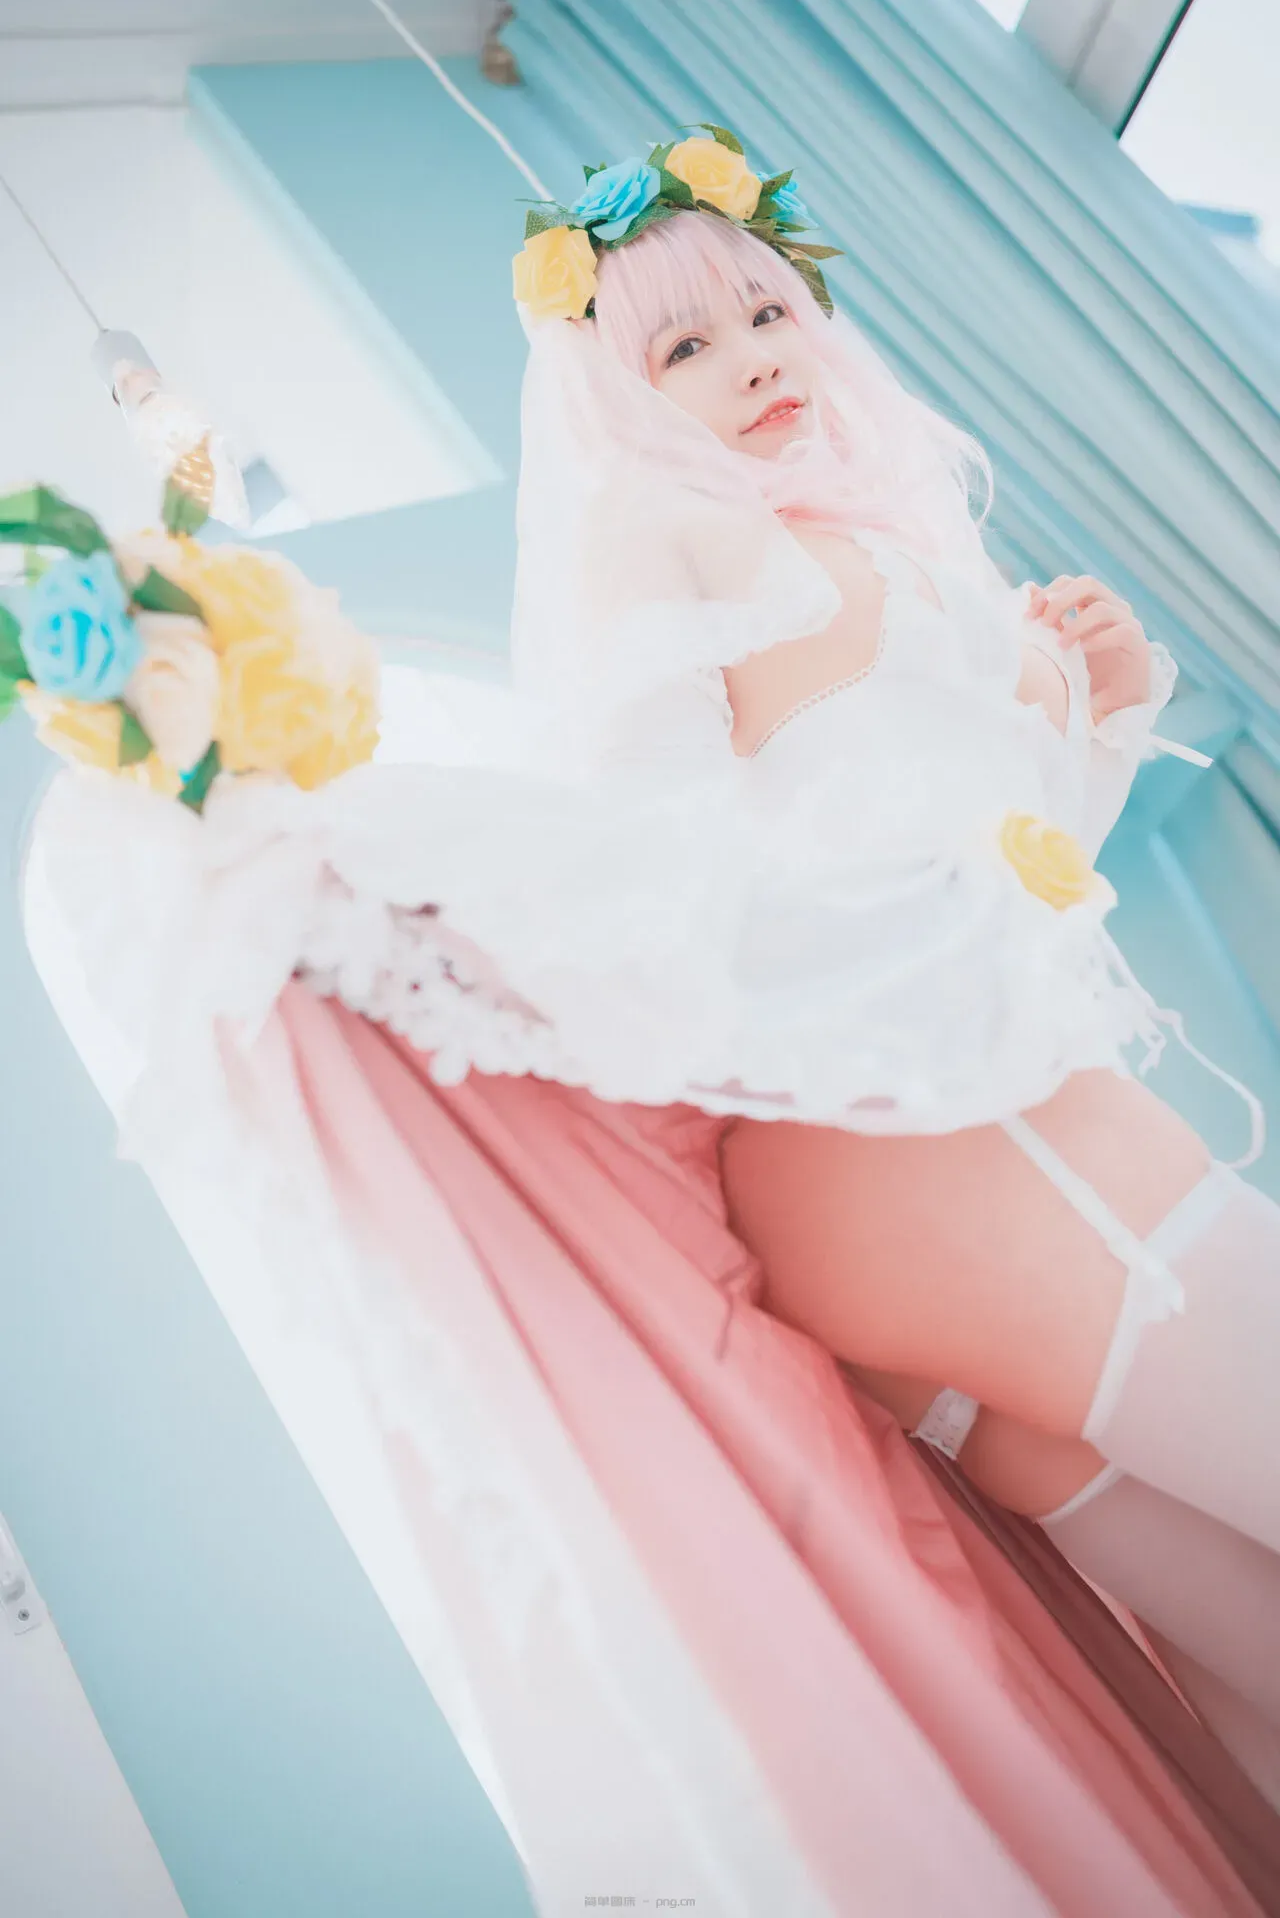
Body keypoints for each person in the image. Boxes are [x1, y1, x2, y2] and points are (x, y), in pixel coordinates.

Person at [24, 127, 1280, 1913]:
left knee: (1244, 1648)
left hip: (942, 1146)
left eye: (766, 312)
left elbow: (1012, 888)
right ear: (612, 393)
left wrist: (1104, 713)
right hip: (940, 1142)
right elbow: (664, 862)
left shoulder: (834, 534)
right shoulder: (662, 529)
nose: (754, 357)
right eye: (683, 343)